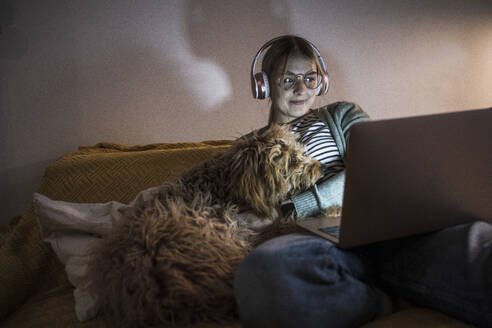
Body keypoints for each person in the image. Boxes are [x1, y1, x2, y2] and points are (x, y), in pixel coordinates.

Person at [233, 35, 492, 328]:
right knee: (266, 271)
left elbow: (374, 169)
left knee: (479, 243)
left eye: (310, 78)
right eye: (288, 79)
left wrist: (294, 207)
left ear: (323, 80)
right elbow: (240, 206)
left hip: (386, 225)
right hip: (311, 241)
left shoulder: (341, 114)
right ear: (264, 84)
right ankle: (387, 299)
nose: (302, 88)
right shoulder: (246, 146)